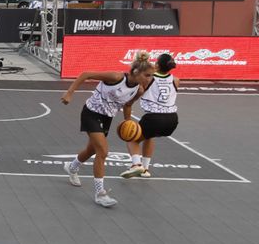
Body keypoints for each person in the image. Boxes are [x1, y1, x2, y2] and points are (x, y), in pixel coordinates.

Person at [59, 51, 152, 208]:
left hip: (107, 118)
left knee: (92, 150)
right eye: (147, 75)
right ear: (136, 72)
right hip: (91, 113)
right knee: (103, 151)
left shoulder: (139, 90)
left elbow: (128, 105)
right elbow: (86, 74)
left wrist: (128, 123)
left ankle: (72, 166)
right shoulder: (116, 78)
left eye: (151, 76)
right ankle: (100, 193)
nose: (150, 79)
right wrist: (69, 93)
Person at [121, 53, 180, 178]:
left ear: (157, 65)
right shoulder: (176, 80)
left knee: (132, 138)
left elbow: (139, 87)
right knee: (149, 136)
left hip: (154, 117)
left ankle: (136, 165)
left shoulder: (147, 79)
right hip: (172, 119)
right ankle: (145, 169)